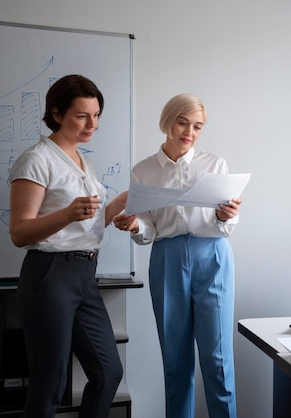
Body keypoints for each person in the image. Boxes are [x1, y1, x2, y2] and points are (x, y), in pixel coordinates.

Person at [112, 93, 241, 418]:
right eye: (183, 122)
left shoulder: (215, 165)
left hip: (212, 256)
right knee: (175, 360)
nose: (189, 132)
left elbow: (226, 220)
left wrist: (227, 216)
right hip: (167, 259)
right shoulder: (143, 170)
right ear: (167, 121)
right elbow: (150, 227)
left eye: (197, 126)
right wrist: (133, 225)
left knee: (218, 360)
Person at [8, 74, 126, 418]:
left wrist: (116, 206)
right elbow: (19, 232)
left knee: (108, 372)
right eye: (82, 115)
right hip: (50, 275)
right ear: (57, 113)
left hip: (84, 274)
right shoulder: (36, 160)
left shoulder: (83, 161)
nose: (93, 124)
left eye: (97, 115)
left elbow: (82, 227)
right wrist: (68, 212)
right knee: (51, 384)